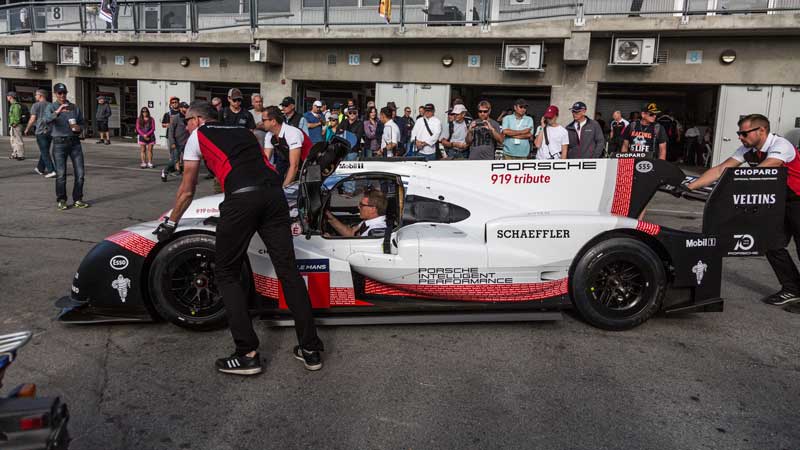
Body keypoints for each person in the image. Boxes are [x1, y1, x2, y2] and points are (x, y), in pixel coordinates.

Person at [153, 101, 323, 374]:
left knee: (227, 273)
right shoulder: (245, 132)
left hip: (242, 199)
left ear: (198, 120)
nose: (185, 126)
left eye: (187, 121)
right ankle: (310, 348)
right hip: (273, 196)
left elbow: (187, 188)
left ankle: (247, 354)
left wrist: (171, 221)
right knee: (288, 272)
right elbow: (261, 166)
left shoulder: (198, 136)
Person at [685, 114, 800, 309]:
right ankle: (793, 289)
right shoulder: (748, 149)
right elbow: (722, 169)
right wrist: (690, 187)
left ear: (761, 131)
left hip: (798, 201)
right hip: (779, 202)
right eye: (739, 133)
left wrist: (731, 190)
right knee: (772, 243)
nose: (740, 137)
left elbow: (760, 173)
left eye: (743, 133)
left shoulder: (781, 146)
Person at [45, 83, 89, 211]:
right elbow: (46, 120)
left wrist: (79, 128)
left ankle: (78, 199)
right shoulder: (51, 107)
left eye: (64, 92)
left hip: (74, 142)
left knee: (80, 174)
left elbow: (82, 122)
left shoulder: (74, 107)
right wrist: (58, 111)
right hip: (59, 143)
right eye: (59, 93)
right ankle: (62, 200)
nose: (62, 95)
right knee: (61, 174)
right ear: (55, 94)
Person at [262, 105, 312, 187]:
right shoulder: (269, 135)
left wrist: (284, 188)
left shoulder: (292, 133)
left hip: (310, 166)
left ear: (273, 122)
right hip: (291, 164)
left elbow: (294, 166)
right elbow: (265, 160)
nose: (261, 122)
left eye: (263, 120)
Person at [25, 89, 56, 178]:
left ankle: (52, 170)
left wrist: (27, 128)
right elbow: (54, 117)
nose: (35, 96)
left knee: (44, 152)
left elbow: (32, 118)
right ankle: (40, 168)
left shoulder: (36, 105)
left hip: (40, 131)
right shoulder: (51, 105)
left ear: (41, 95)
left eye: (36, 95)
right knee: (45, 150)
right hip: (50, 131)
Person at [162, 102, 189, 182]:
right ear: (180, 108)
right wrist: (172, 142)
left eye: (187, 107)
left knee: (187, 160)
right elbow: (171, 131)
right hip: (177, 143)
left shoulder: (188, 117)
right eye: (185, 107)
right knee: (174, 160)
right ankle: (165, 171)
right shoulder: (175, 118)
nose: (186, 109)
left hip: (186, 142)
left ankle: (187, 177)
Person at [7, 92, 25, 160]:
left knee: (18, 140)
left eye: (8, 96)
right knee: (13, 140)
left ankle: (21, 155)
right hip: (12, 125)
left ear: (11, 97)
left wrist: (15, 123)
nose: (7, 97)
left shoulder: (16, 105)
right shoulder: (12, 105)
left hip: (16, 125)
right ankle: (15, 154)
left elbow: (17, 116)